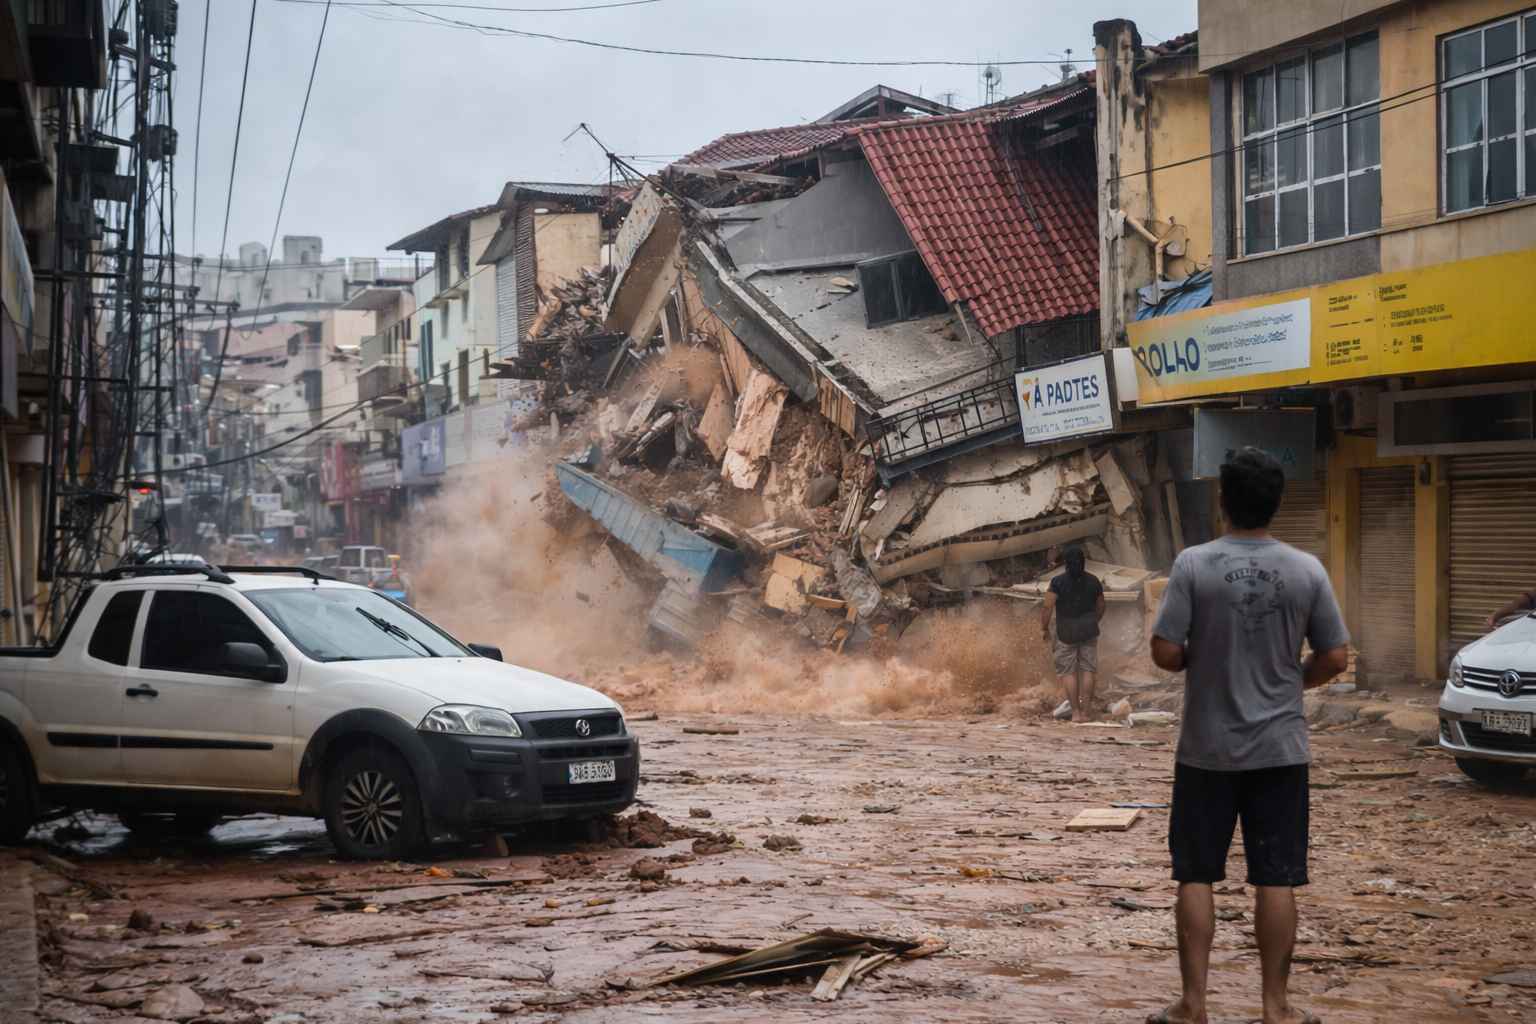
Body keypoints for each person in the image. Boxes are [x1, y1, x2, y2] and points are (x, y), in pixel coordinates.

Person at [1147, 448, 1350, 1024]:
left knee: (1195, 873)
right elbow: (1335, 656)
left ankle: (1192, 1006)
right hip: (1280, 751)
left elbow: (1165, 651)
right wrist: (1291, 681)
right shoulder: (1307, 569)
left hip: (1205, 752)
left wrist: (1200, 658)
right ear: (1276, 504)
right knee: (1277, 876)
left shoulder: (1193, 565)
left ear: (1222, 501)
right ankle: (1276, 1009)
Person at [1041, 546, 1106, 722]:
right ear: (1083, 563)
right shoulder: (1093, 581)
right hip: (1089, 630)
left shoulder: (1057, 582)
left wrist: (1044, 628)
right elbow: (1101, 605)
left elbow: (1047, 607)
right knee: (1088, 670)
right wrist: (1094, 621)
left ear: (1066, 565)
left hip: (1065, 632)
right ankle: (1086, 712)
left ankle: (1076, 713)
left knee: (1068, 672)